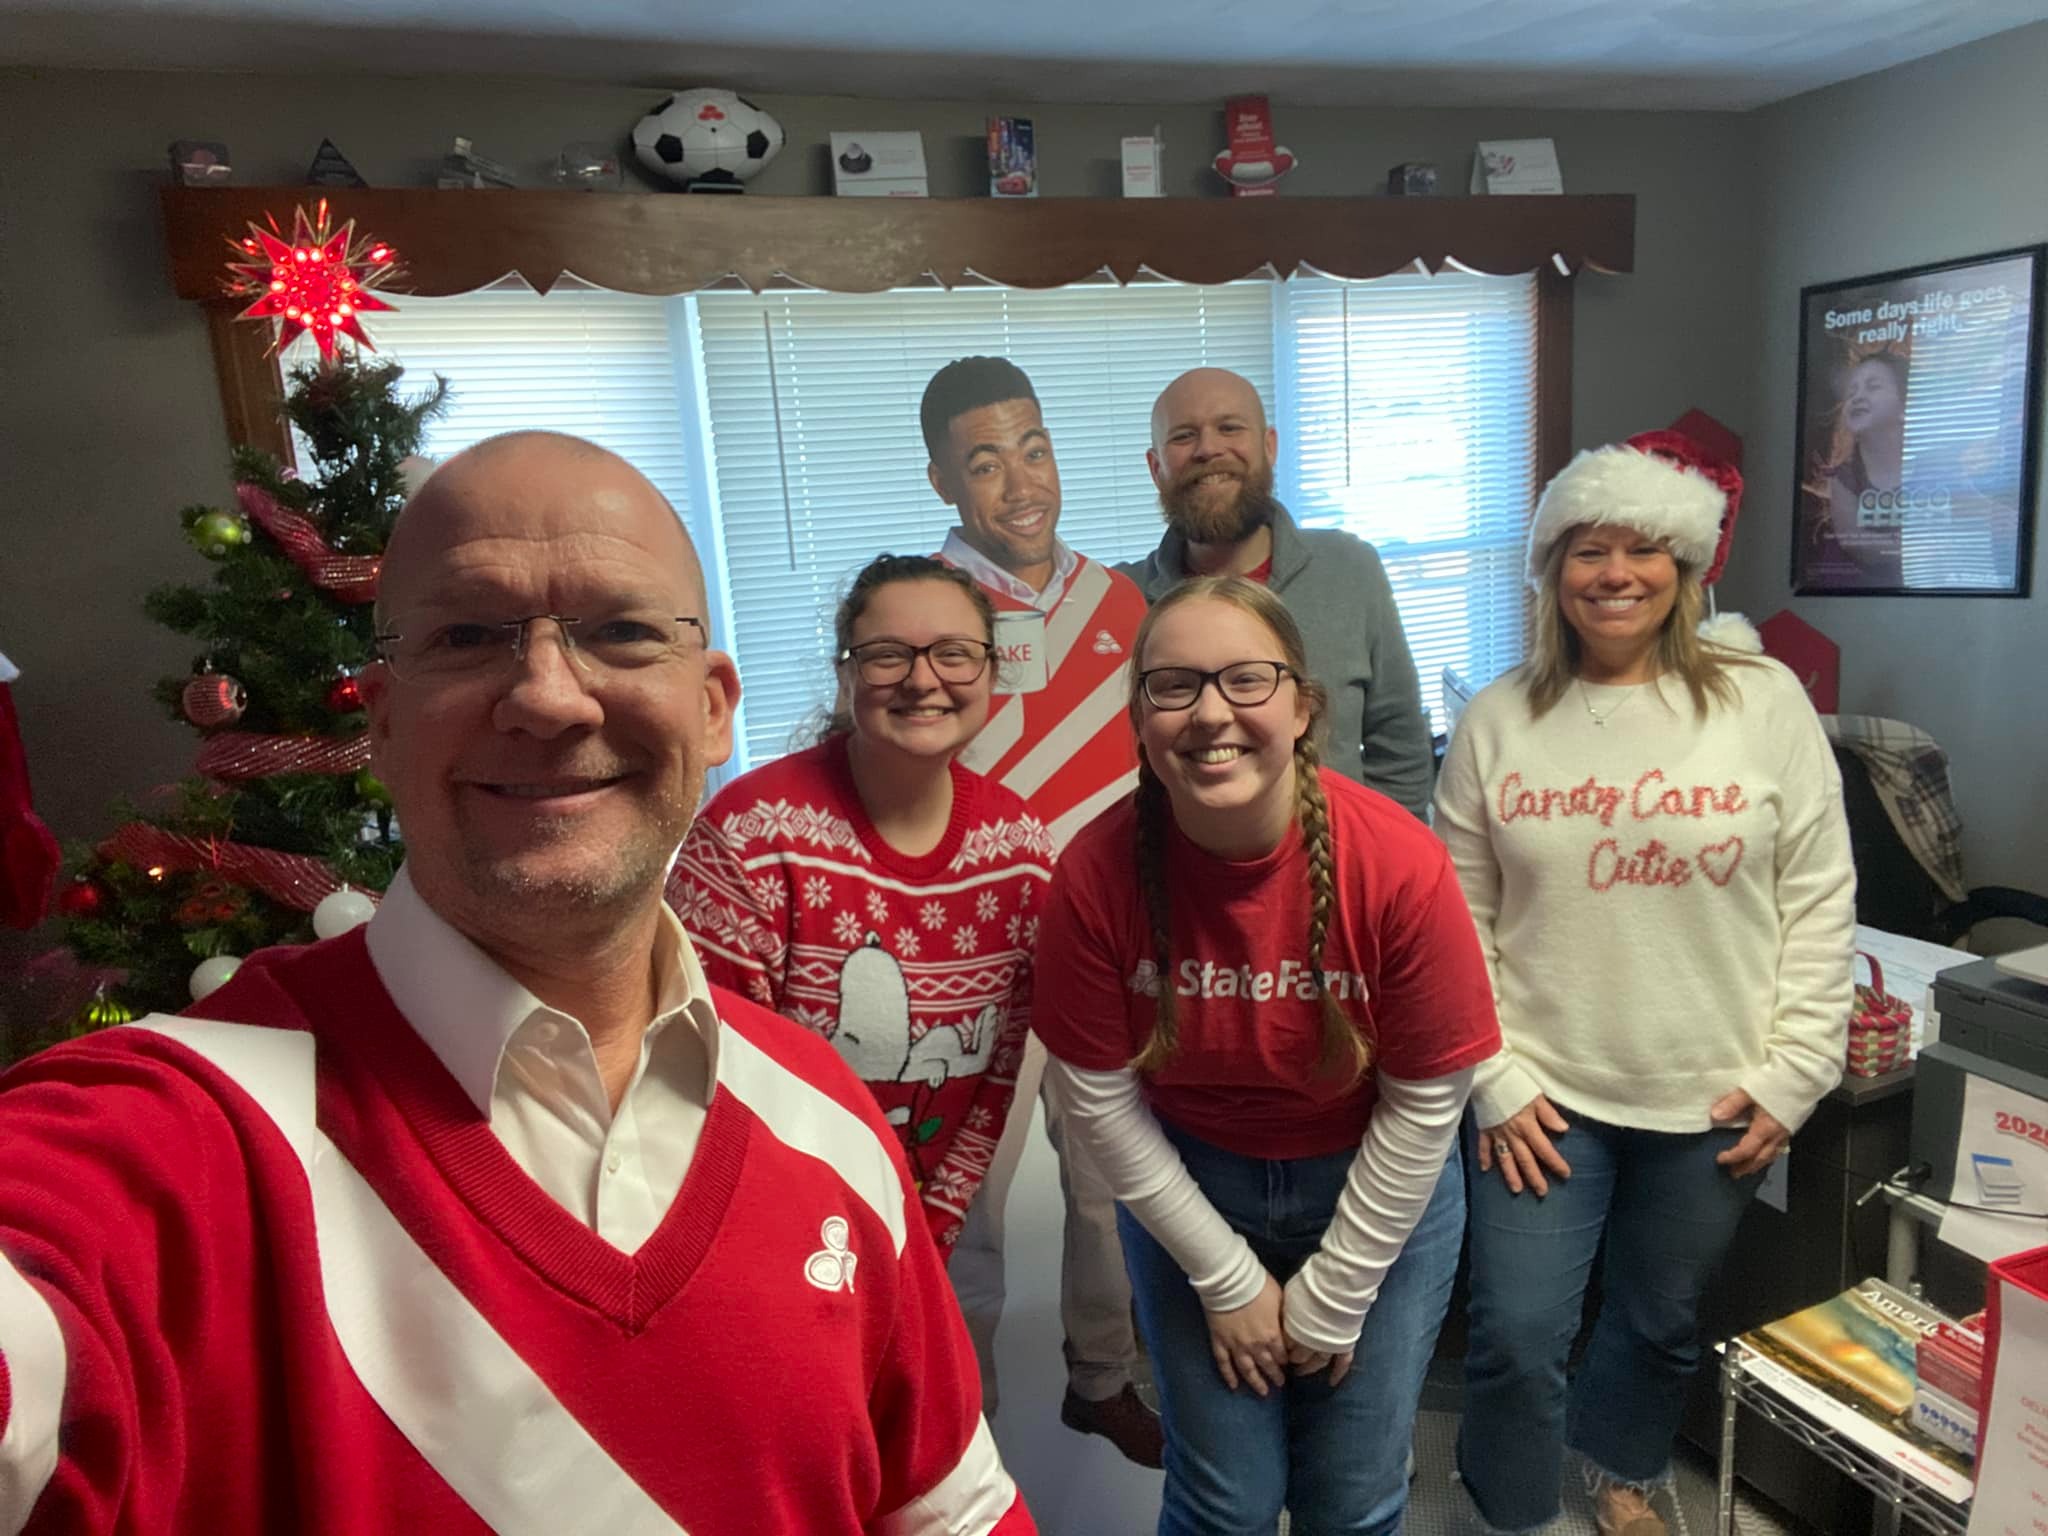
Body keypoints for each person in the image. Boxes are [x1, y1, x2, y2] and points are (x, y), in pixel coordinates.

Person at [0, 433, 1033, 1534]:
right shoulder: (186, 1136)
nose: (548, 698)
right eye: (468, 636)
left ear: (712, 706)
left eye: (624, 633)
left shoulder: (822, 1113)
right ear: (381, 720)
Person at [1436, 431, 1855, 1536]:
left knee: (1658, 1319)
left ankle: (1616, 1463)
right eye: (1583, 549)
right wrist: (1491, 1077)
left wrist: (1795, 1073)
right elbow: (1452, 925)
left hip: (1707, 1095)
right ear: (1548, 570)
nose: (1612, 573)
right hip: (1541, 1095)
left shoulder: (1760, 703)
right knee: (1516, 1332)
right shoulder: (1494, 721)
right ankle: (1509, 1504)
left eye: (1640, 549)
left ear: (1683, 565)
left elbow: (1818, 898)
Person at [1034, 575, 1500, 1535]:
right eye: (1174, 686)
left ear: (1302, 709)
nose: (1211, 713)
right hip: (1189, 1189)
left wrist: (1337, 1291)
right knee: (1224, 1504)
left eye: (1247, 680)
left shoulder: (1400, 864)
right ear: (1140, 719)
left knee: (1353, 1499)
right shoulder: (1093, 872)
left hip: (1376, 1186)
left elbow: (1425, 1104)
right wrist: (1228, 1278)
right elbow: (1098, 1101)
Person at [667, 553, 1050, 1257]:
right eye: (886, 656)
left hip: (927, 1239)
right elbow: (704, 1085)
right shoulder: (751, 837)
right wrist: (824, 1249)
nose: (923, 679)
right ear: (847, 675)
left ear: (994, 673)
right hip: (762, 1235)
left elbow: (996, 1076)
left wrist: (930, 1233)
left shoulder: (1020, 850)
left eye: (955, 655)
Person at [922, 356, 1163, 1467]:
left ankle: (1100, 1376)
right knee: (957, 1197)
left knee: (1109, 1181)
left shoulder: (1119, 600)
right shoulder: (927, 611)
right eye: (984, 459)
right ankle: (954, 1425)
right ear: (942, 481)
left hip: (1108, 945)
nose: (1019, 481)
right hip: (972, 952)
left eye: (1033, 447)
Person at [1117, 367, 1434, 821]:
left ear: (1269, 447)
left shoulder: (1350, 567)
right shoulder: (1121, 599)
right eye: (1184, 436)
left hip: (1338, 877)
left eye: (1230, 428)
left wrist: (1383, 860)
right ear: (1155, 468)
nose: (1209, 449)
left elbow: (1400, 742)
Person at [1805, 350, 1907, 586]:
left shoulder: (1932, 469)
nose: (1857, 397)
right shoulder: (1843, 477)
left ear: (1904, 404)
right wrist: (1915, 551)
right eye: (1852, 392)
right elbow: (1856, 542)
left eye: (1873, 387)